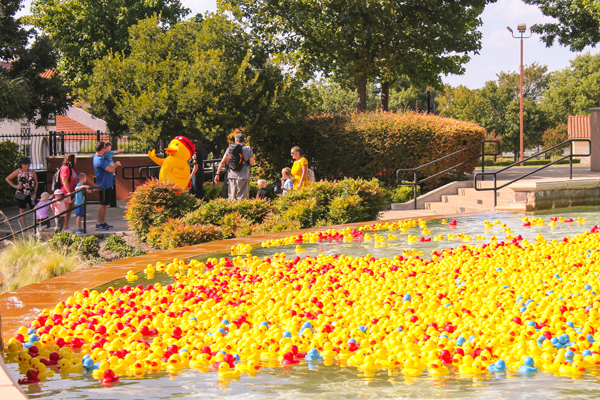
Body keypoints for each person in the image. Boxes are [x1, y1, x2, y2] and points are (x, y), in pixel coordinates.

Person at [215, 133, 255, 200]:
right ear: (243, 140)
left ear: (236, 140)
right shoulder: (248, 148)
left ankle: (233, 210)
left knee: (232, 198)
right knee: (243, 199)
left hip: (231, 176)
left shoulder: (229, 149)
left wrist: (217, 174)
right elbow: (252, 163)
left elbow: (222, 162)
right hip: (243, 176)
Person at [93, 141, 121, 230]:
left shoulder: (101, 157)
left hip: (107, 184)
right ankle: (99, 223)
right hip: (103, 185)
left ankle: (103, 222)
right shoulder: (99, 159)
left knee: (105, 204)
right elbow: (109, 169)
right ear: (102, 149)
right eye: (105, 147)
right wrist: (116, 164)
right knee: (102, 204)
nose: (107, 149)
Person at [5, 156, 38, 228]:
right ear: (21, 164)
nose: (26, 166)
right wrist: (14, 186)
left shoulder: (32, 171)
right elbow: (7, 178)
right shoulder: (18, 171)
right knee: (22, 209)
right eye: (24, 164)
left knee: (35, 208)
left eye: (27, 164)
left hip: (31, 193)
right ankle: (24, 226)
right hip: (21, 193)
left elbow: (36, 182)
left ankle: (37, 225)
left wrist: (35, 192)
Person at [59, 154, 78, 232]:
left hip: (72, 193)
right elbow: (64, 181)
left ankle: (66, 226)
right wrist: (68, 192)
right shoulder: (66, 168)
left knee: (69, 210)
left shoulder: (71, 169)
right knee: (66, 210)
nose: (76, 160)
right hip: (66, 193)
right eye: (75, 159)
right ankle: (64, 227)